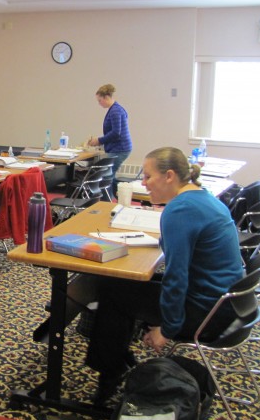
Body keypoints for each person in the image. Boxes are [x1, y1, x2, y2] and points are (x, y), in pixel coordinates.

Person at [83, 147, 243, 406]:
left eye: (148, 177)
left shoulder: (180, 210)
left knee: (112, 292)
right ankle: (117, 358)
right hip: (228, 303)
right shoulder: (203, 197)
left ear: (169, 176)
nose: (144, 184)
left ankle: (109, 374)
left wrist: (168, 328)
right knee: (124, 284)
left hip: (208, 313)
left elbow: (176, 277)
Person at [87, 84, 133, 198]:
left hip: (120, 148)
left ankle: (107, 201)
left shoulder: (115, 111)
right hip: (121, 147)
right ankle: (114, 197)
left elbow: (116, 133)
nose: (99, 103)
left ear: (106, 97)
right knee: (109, 174)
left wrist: (99, 140)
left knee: (106, 176)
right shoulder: (115, 109)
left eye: (100, 100)